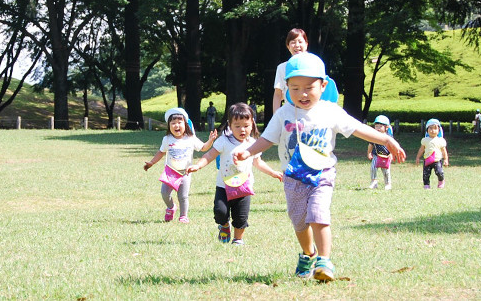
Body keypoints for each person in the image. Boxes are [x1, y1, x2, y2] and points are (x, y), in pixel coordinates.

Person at [233, 52, 406, 282]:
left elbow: (356, 128)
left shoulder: (329, 110)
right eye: (294, 88)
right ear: (286, 88)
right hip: (293, 177)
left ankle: (324, 261)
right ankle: (308, 254)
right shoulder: (284, 113)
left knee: (318, 214)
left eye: (309, 87)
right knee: (299, 221)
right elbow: (267, 139)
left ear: (323, 85)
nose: (302, 93)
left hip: (322, 173)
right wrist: (248, 151)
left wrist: (385, 140)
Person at [187, 103, 283, 245]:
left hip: (243, 187)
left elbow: (258, 162)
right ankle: (224, 225)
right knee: (220, 211)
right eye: (237, 126)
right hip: (223, 186)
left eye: (246, 125)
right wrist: (198, 166)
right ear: (230, 125)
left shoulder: (253, 144)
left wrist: (273, 173)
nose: (242, 129)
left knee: (241, 216)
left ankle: (238, 239)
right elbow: (209, 155)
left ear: (252, 124)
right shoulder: (224, 141)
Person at [144, 108, 217, 223]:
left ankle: (183, 216)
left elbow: (203, 148)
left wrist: (210, 141)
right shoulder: (167, 139)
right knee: (164, 193)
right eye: (173, 123)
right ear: (169, 126)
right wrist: (151, 162)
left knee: (183, 196)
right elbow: (161, 152)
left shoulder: (191, 139)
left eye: (179, 122)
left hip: (185, 173)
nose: (176, 125)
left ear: (185, 124)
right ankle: (171, 207)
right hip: (170, 172)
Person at [272, 28, 309, 113]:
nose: (297, 45)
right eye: (292, 42)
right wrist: (276, 117)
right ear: (288, 46)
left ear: (306, 44)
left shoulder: (315, 63)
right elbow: (278, 94)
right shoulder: (282, 68)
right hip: (290, 113)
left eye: (300, 42)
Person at [415, 119, 449, 189]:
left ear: (439, 130)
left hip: (437, 160)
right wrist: (418, 157)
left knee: (439, 172)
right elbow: (421, 149)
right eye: (430, 128)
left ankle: (441, 181)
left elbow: (444, 151)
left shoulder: (440, 140)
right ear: (427, 130)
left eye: (435, 128)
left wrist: (446, 159)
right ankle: (426, 185)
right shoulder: (425, 140)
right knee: (426, 174)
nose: (433, 130)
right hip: (427, 160)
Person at [367, 115, 393, 190]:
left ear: (386, 127)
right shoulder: (374, 136)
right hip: (376, 155)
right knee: (373, 168)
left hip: (386, 156)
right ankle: (374, 181)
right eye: (376, 126)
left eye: (380, 126)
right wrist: (369, 153)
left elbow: (391, 147)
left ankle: (387, 183)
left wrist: (391, 154)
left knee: (386, 171)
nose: (378, 128)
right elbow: (370, 145)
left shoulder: (388, 137)